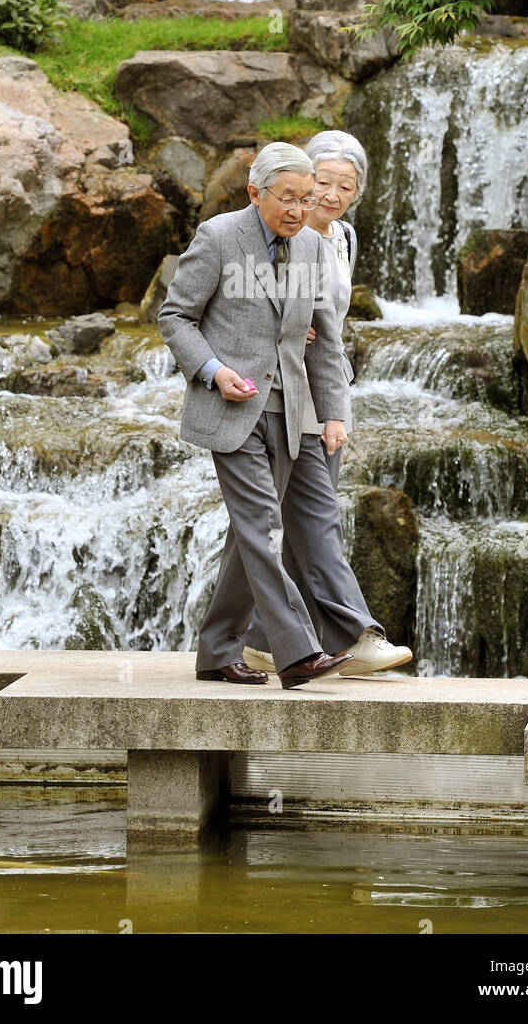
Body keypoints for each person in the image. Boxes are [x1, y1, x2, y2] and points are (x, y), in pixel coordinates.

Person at [158, 142, 357, 690]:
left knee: (245, 539)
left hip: (291, 415)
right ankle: (298, 653)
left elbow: (323, 342)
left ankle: (217, 652)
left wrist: (333, 413)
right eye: (287, 198)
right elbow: (175, 317)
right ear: (255, 193)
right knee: (265, 529)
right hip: (230, 410)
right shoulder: (220, 237)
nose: (298, 209)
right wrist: (213, 370)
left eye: (306, 198)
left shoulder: (316, 248)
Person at [243, 131, 413, 676]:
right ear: (300, 180)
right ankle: (352, 631)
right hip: (284, 387)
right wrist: (287, 331)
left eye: (347, 184)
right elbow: (247, 306)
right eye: (323, 181)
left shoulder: (342, 238)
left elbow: (332, 320)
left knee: (302, 514)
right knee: (312, 513)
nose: (332, 194)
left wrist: (335, 394)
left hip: (330, 383)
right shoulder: (276, 235)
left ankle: (265, 639)